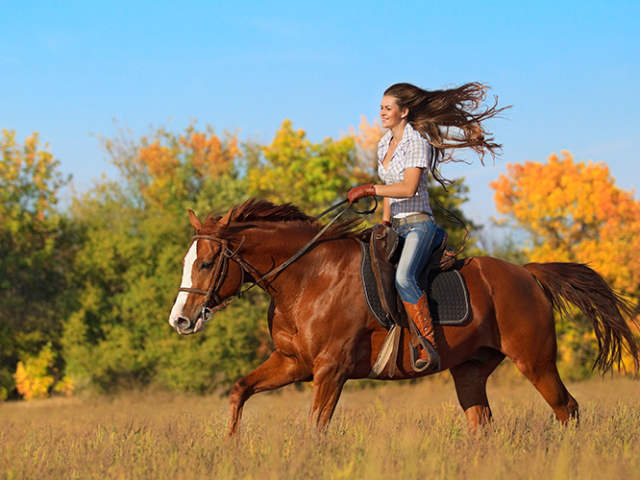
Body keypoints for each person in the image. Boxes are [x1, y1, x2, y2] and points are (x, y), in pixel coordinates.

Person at [348, 82, 507, 372]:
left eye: (388, 108)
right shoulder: (384, 144)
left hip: (419, 226)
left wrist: (370, 189)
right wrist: (383, 221)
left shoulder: (417, 141)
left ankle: (427, 344)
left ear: (404, 111)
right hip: (395, 227)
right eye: (381, 108)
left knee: (405, 278)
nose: (382, 113)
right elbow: (388, 189)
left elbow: (407, 188)